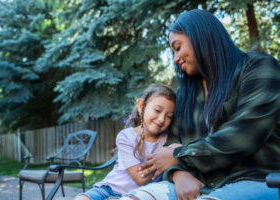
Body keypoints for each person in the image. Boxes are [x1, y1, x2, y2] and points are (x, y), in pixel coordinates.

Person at [118, 9, 280, 200]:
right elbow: (171, 143)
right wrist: (178, 174)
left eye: (178, 47)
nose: (175, 58)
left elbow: (245, 133)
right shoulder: (186, 94)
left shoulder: (259, 68)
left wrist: (181, 155)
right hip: (200, 182)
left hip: (257, 179)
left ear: (201, 37)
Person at [74, 84, 176, 200]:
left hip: (138, 195)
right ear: (141, 105)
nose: (162, 119)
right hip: (109, 189)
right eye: (157, 110)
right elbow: (140, 177)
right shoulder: (126, 136)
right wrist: (168, 160)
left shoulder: (168, 140)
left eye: (169, 116)